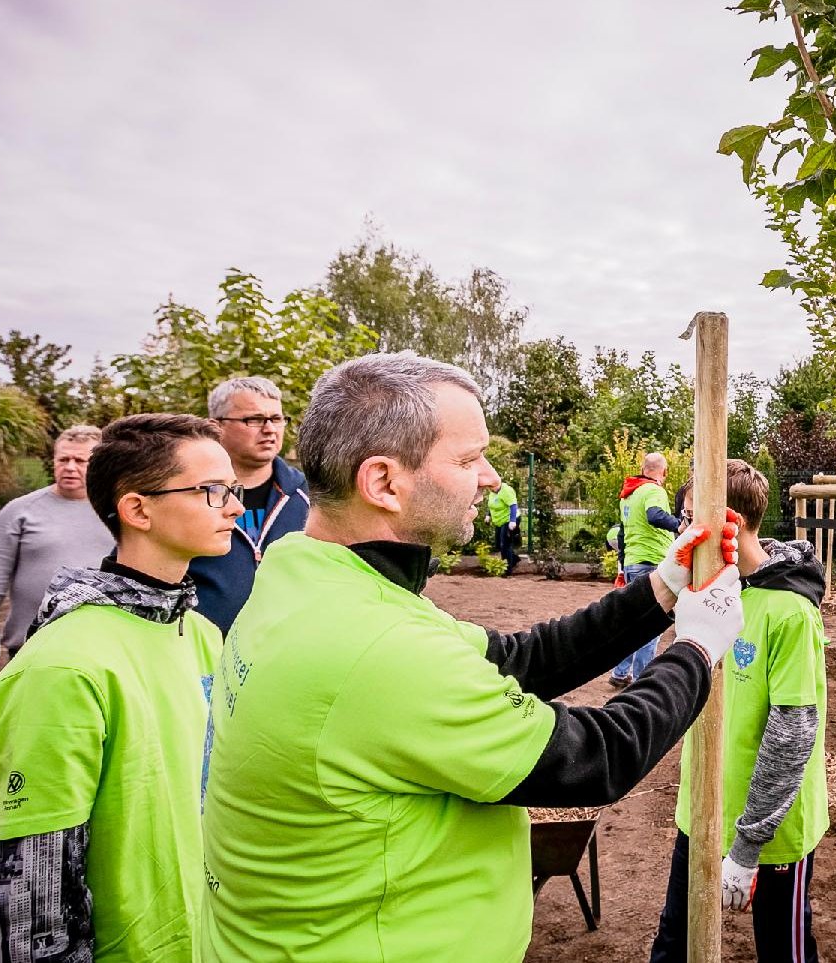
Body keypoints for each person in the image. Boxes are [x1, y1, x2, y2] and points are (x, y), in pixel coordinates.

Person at [200, 353, 747, 962]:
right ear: (383, 482)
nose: (489, 477)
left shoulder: (305, 577)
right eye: (467, 459)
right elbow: (595, 758)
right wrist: (698, 647)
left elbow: (516, 659)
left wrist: (661, 592)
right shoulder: (377, 647)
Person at [0, 413, 238, 961]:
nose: (234, 506)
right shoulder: (62, 669)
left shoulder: (201, 635)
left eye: (231, 489)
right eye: (212, 490)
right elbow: (33, 900)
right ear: (137, 509)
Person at [649, 460, 828, 962]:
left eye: (689, 517)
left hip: (772, 834)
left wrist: (749, 844)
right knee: (674, 942)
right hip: (702, 812)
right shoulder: (709, 592)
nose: (682, 531)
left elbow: (792, 736)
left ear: (728, 520)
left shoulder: (789, 611)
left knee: (783, 952)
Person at [0, 425, 115, 664]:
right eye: (63, 459)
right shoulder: (20, 510)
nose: (70, 467)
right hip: (32, 645)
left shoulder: (120, 511)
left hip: (104, 645)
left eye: (80, 460)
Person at [187, 376, 309, 633]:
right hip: (204, 657)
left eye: (276, 419)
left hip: (286, 653)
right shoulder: (187, 495)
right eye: (253, 420)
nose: (269, 429)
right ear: (215, 427)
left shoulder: (309, 496)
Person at [608, 451, 682, 686]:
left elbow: (622, 534)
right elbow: (655, 515)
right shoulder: (654, 490)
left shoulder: (628, 495)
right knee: (651, 624)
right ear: (664, 472)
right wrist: (680, 526)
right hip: (651, 562)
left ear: (643, 469)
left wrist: (623, 564)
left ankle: (620, 673)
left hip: (633, 562)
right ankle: (641, 680)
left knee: (633, 623)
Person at [486, 475, 521, 574]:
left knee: (505, 544)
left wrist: (513, 521)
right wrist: (488, 515)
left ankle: (507, 569)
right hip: (499, 520)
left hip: (509, 519)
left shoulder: (506, 491)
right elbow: (492, 504)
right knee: (498, 544)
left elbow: (513, 506)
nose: (490, 489)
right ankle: (514, 559)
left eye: (492, 487)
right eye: (489, 487)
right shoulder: (493, 491)